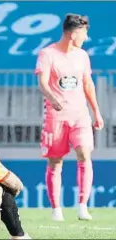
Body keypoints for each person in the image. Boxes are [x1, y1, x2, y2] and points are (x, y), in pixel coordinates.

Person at [35, 13, 104, 221]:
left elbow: (88, 85)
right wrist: (52, 97)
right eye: (84, 33)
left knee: (85, 154)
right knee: (55, 162)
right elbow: (43, 83)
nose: (86, 38)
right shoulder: (47, 54)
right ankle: (56, 209)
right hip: (55, 117)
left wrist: (96, 112)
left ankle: (83, 206)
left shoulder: (82, 55)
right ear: (74, 34)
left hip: (80, 115)